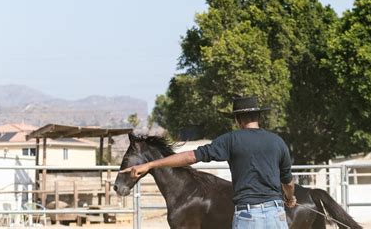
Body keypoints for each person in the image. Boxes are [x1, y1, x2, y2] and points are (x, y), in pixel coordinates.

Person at [121, 96, 296, 228]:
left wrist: (151, 164)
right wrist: (289, 198)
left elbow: (191, 156)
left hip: (248, 215)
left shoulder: (231, 140)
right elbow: (288, 182)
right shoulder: (277, 142)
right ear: (258, 116)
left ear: (237, 119)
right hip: (276, 215)